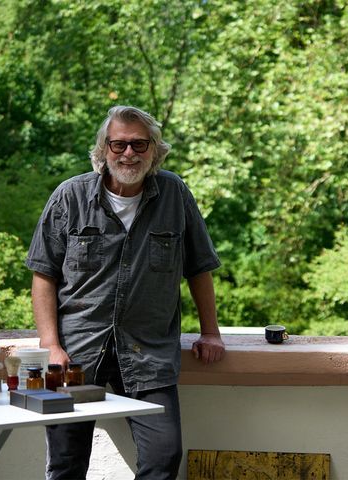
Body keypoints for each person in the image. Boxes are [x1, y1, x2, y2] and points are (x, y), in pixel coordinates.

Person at [25, 105, 226, 480]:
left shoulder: (175, 194)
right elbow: (44, 274)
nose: (128, 153)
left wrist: (210, 332)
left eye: (139, 144)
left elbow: (200, 267)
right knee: (66, 464)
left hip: (149, 351)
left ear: (154, 150)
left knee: (164, 456)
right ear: (103, 150)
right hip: (77, 351)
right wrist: (50, 344)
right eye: (118, 144)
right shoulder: (70, 196)